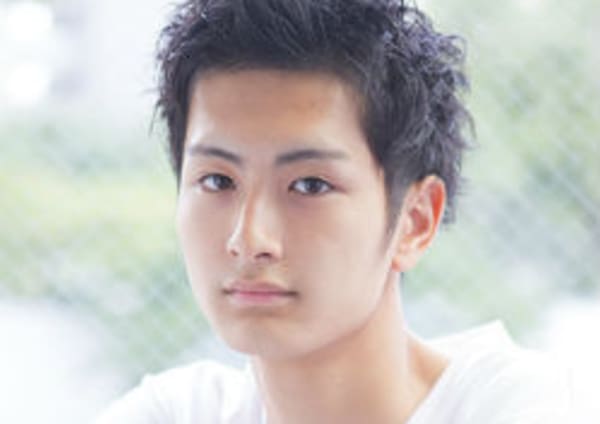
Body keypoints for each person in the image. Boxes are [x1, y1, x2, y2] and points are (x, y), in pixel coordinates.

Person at [96, 0, 571, 422]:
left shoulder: (509, 405)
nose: (249, 239)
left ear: (415, 221)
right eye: (217, 181)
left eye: (309, 185)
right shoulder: (179, 410)